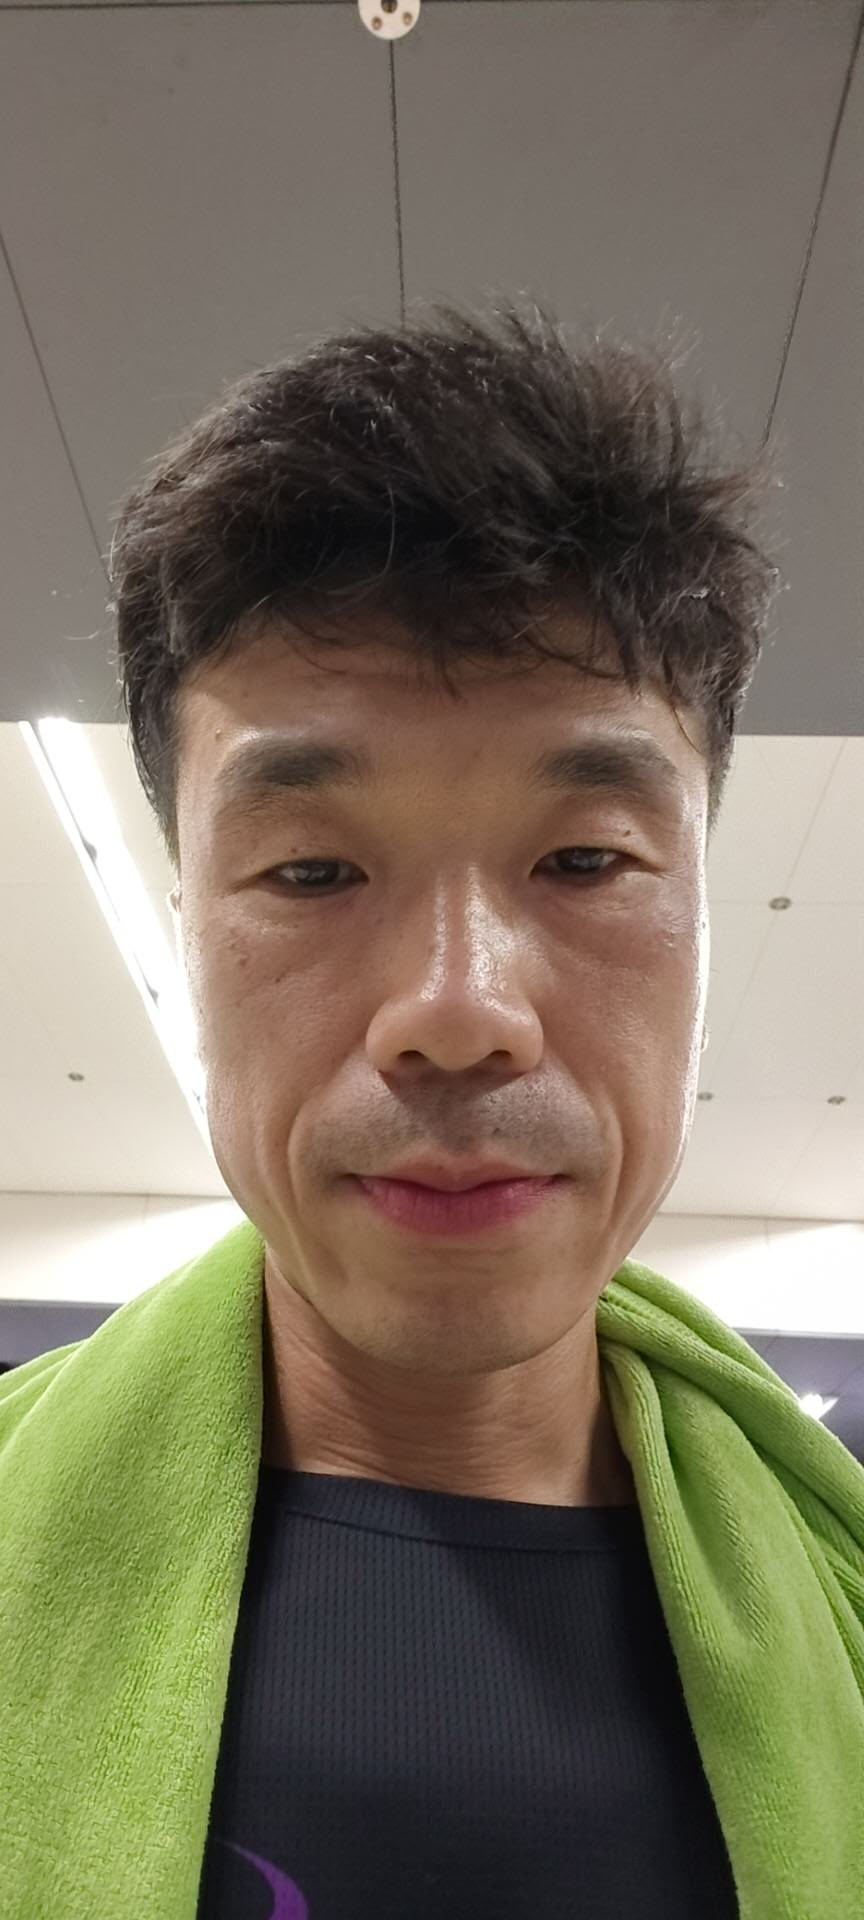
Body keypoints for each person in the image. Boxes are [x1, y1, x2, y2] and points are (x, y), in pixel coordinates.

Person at [12, 301, 862, 1920]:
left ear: (700, 908)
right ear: (190, 922)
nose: (460, 1012)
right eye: (312, 872)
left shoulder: (845, 1594)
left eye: (585, 860)